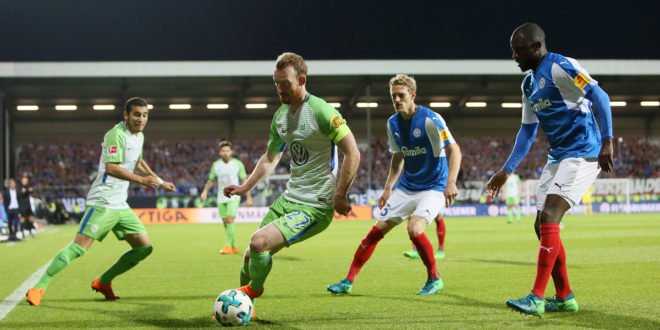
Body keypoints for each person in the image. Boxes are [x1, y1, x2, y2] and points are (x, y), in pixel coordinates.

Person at [485, 23, 614, 316]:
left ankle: (536, 297)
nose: (514, 56)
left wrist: (607, 141)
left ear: (536, 46)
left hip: (583, 152)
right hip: (557, 157)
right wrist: (506, 170)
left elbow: (600, 97)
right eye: (512, 51)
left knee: (551, 215)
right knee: (540, 224)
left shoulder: (561, 66)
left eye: (518, 50)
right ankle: (565, 296)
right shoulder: (529, 85)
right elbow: (528, 131)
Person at [223, 52, 360, 317]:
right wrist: (245, 187)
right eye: (276, 83)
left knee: (258, 241)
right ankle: (242, 307)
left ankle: (252, 292)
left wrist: (341, 193)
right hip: (289, 199)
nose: (280, 89)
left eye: (285, 83)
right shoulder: (281, 117)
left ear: (302, 80)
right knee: (250, 257)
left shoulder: (321, 111)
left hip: (315, 206)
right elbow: (270, 158)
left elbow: (352, 152)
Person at [26, 97, 176, 306]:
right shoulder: (116, 134)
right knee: (80, 248)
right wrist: (142, 180)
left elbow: (138, 162)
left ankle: (103, 281)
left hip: (120, 205)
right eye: (136, 114)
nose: (141, 119)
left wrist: (160, 182)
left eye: (144, 115)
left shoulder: (139, 135)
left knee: (144, 248)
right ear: (126, 115)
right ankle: (38, 287)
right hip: (103, 202)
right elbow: (112, 168)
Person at [327, 74, 461, 295]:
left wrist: (451, 182)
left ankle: (434, 278)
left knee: (414, 229)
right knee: (373, 234)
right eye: (394, 96)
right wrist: (388, 188)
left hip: (433, 187)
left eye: (401, 95)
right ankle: (348, 281)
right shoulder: (392, 123)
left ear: (413, 95)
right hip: (406, 187)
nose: (397, 100)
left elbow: (454, 149)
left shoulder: (431, 119)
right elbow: (398, 157)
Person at [200, 140, 253, 255]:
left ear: (231, 152)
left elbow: (245, 181)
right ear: (220, 152)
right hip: (221, 197)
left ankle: (228, 246)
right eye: (223, 151)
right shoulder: (216, 165)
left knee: (230, 219)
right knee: (225, 222)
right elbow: (211, 180)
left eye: (227, 151)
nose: (225, 153)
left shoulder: (238, 164)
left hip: (233, 196)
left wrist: (249, 198)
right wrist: (205, 192)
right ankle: (234, 247)